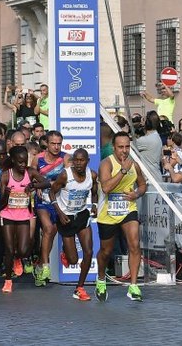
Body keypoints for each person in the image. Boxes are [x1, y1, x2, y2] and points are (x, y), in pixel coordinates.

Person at [95, 131, 147, 303]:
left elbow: (142, 185)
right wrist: (123, 171)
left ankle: (133, 286)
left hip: (128, 209)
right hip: (108, 213)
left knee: (134, 244)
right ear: (113, 147)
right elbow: (106, 188)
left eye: (127, 147)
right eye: (120, 147)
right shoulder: (106, 164)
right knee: (106, 251)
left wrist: (136, 194)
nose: (124, 151)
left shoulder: (134, 164)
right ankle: (101, 279)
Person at [50, 148, 98, 301]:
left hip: (82, 215)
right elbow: (52, 192)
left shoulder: (92, 175)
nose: (78, 163)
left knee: (88, 252)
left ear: (87, 161)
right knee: (73, 260)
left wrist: (95, 205)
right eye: (76, 160)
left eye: (81, 160)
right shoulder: (65, 175)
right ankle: (66, 253)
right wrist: (59, 213)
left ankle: (80, 288)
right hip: (66, 217)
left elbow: (94, 191)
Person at [0, 145, 34, 293]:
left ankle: (18, 258)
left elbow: (45, 182)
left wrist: (33, 185)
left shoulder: (30, 172)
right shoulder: (6, 175)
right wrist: (7, 194)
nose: (23, 164)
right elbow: (1, 202)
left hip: (23, 215)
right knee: (9, 249)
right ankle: (8, 280)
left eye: (25, 161)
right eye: (20, 162)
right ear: (13, 160)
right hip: (7, 215)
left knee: (23, 250)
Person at [32, 130, 66, 286]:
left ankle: (40, 265)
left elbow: (67, 179)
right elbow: (31, 175)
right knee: (48, 228)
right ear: (47, 143)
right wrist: (36, 184)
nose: (56, 147)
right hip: (42, 200)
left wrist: (46, 184)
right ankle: (45, 265)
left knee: (51, 234)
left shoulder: (66, 158)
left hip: (58, 201)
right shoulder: (38, 159)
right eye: (53, 143)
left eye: (59, 144)